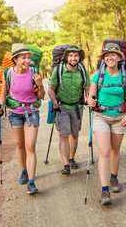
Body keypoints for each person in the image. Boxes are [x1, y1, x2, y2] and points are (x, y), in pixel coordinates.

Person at [87, 42, 126, 205]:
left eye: (113, 55)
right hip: (101, 116)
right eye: (107, 55)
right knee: (105, 152)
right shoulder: (97, 75)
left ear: (118, 58)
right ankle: (105, 190)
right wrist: (90, 101)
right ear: (104, 58)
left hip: (119, 117)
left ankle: (114, 177)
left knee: (115, 150)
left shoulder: (125, 76)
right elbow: (90, 97)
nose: (110, 57)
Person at [0, 43, 45, 195]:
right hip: (15, 113)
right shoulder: (7, 73)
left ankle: (31, 182)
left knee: (30, 146)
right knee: (20, 144)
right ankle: (23, 170)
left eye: (28, 58)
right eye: (23, 58)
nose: (27, 61)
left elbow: (41, 96)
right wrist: (0, 105)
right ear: (15, 59)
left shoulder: (34, 73)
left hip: (31, 112)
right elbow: (4, 92)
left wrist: (40, 85)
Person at [48, 46, 90, 175]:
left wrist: (88, 97)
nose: (73, 58)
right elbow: (51, 88)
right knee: (64, 134)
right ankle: (66, 164)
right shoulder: (58, 70)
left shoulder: (83, 70)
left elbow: (87, 87)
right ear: (66, 57)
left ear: (79, 57)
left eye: (76, 55)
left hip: (77, 107)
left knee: (75, 134)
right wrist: (54, 101)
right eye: (70, 55)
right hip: (62, 107)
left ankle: (72, 158)